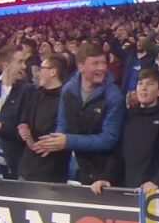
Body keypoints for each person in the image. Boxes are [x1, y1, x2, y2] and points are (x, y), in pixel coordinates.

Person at [37, 43, 125, 186]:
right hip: (79, 166)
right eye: (95, 63)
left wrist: (68, 141)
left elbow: (109, 139)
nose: (102, 68)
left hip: (105, 170)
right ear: (81, 67)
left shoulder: (114, 96)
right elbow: (63, 124)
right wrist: (53, 142)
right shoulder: (68, 90)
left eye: (103, 63)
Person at [89, 67, 159, 194]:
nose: (144, 88)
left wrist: (158, 182)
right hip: (125, 189)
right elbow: (118, 154)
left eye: (150, 84)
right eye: (140, 83)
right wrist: (106, 178)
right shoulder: (127, 116)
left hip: (152, 191)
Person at [16, 55, 69, 183]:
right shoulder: (35, 94)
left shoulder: (66, 99)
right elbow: (24, 120)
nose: (38, 73)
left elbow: (57, 136)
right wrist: (24, 130)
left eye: (42, 68)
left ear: (53, 72)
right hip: (26, 167)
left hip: (50, 172)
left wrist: (37, 142)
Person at [0, 46, 30, 178]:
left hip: (13, 164)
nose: (24, 66)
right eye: (20, 62)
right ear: (6, 65)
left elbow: (25, 132)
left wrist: (0, 127)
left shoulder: (28, 92)